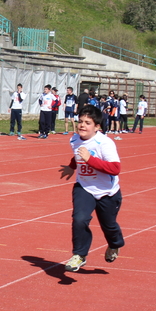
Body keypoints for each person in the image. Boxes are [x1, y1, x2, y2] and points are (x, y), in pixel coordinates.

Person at [59, 104, 125, 272]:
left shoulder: (104, 143)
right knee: (79, 219)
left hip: (108, 192)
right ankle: (79, 255)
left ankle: (114, 244)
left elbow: (115, 168)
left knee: (109, 225)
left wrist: (90, 160)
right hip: (84, 187)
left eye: (87, 123)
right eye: (80, 121)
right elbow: (77, 155)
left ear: (97, 127)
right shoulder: (74, 139)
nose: (82, 125)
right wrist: (71, 167)